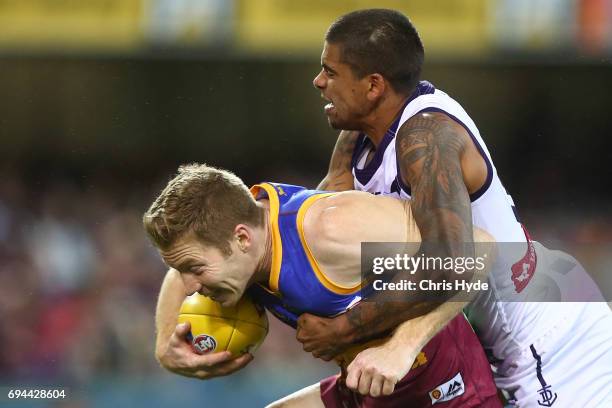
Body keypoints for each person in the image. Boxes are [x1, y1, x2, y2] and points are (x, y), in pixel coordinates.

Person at [295, 8, 612, 408]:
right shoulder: (356, 141)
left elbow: (454, 262)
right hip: (493, 344)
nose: (319, 82)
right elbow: (308, 235)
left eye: (331, 71)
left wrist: (343, 330)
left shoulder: (427, 136)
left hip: (552, 342)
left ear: (374, 85)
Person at [144, 163, 502, 407]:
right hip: (367, 391)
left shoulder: (332, 230)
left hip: (447, 392)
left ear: (241, 239)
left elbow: (479, 250)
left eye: (195, 269)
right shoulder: (238, 233)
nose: (189, 286)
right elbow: (180, 270)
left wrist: (401, 348)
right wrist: (164, 346)